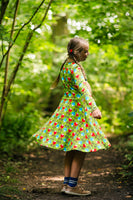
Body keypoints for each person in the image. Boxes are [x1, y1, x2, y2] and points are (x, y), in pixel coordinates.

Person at [33, 37, 111, 196]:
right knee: (80, 148)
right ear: (76, 52)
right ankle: (72, 186)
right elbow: (83, 89)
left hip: (68, 109)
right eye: (85, 51)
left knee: (71, 148)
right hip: (78, 112)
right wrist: (94, 108)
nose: (87, 54)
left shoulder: (67, 66)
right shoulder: (75, 68)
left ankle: (66, 184)